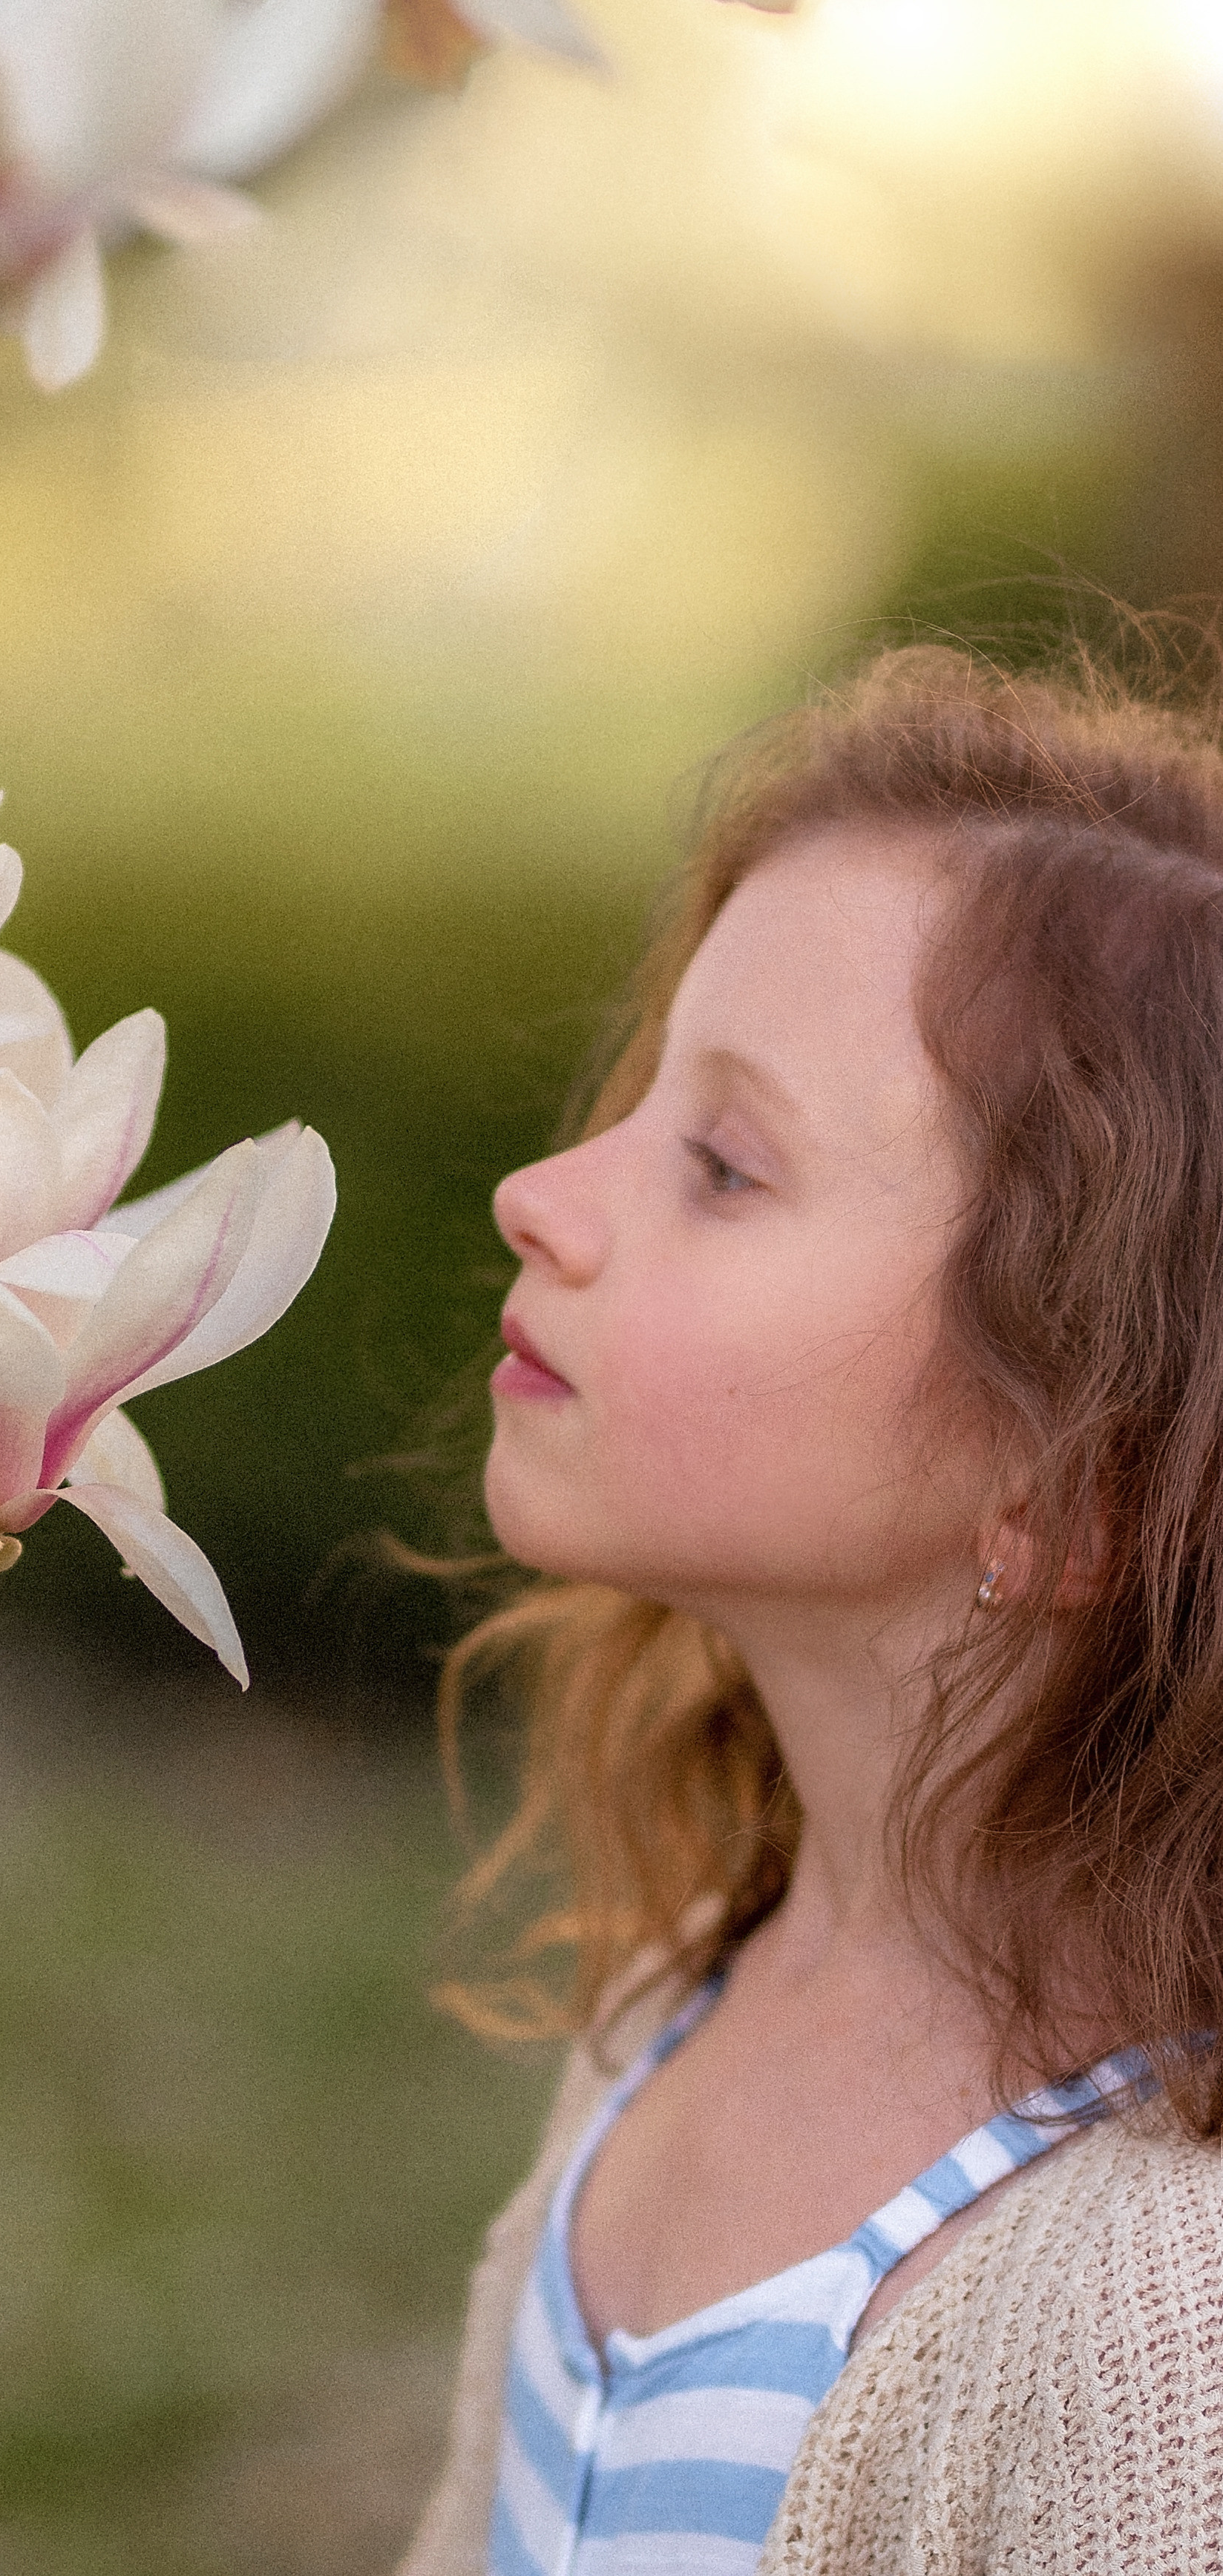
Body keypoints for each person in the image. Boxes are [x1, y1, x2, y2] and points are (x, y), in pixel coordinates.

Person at [397, 640, 1223, 2576]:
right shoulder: (689, 1993)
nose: (538, 1192)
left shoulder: (1148, 2335)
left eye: (720, 1165)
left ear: (1073, 1468)